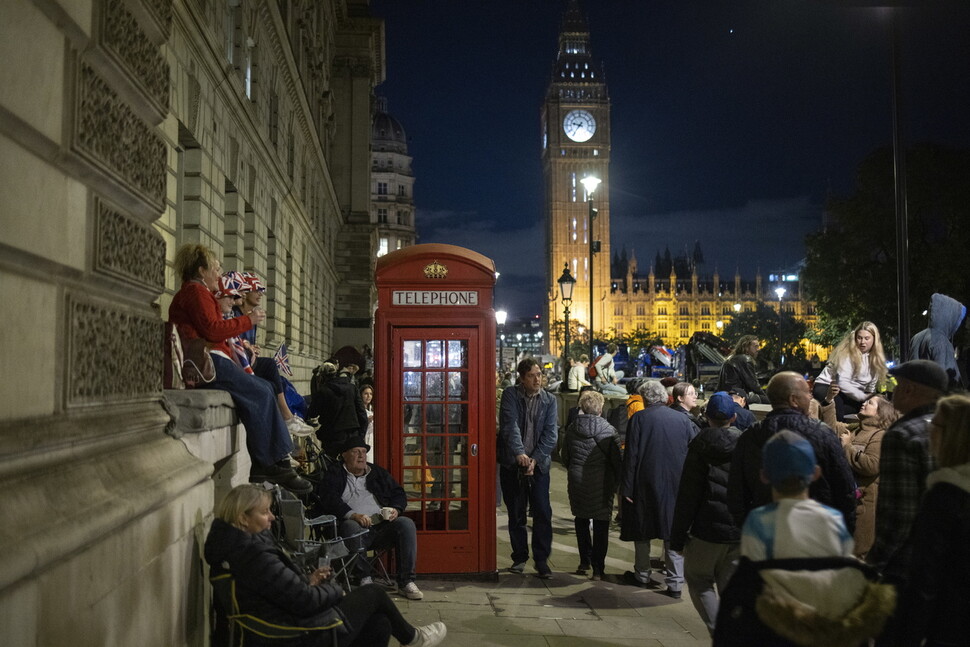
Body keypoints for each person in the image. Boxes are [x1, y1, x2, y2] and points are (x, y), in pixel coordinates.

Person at [205, 484, 446, 647]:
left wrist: (309, 581)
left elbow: (278, 588)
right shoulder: (252, 555)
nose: (272, 517)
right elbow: (304, 601)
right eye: (264, 512)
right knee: (372, 594)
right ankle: (414, 638)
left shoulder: (238, 547)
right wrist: (334, 591)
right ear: (243, 518)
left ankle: (412, 637)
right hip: (295, 634)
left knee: (380, 624)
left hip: (285, 620)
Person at [167, 244, 311, 493]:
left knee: (264, 387)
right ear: (202, 270)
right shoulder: (195, 292)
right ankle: (271, 463)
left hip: (215, 358)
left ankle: (274, 462)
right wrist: (248, 320)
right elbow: (212, 330)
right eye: (215, 268)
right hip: (210, 361)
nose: (219, 274)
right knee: (261, 392)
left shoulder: (197, 292)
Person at [727, 372, 856, 534]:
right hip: (816, 533)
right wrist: (845, 532)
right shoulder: (822, 434)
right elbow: (844, 488)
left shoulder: (750, 436)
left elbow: (736, 493)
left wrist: (750, 529)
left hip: (766, 532)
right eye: (807, 393)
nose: (810, 397)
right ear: (793, 400)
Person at [894, 393, 970, 646]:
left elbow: (927, 574)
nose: (929, 432)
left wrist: (911, 634)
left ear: (951, 434)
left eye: (933, 425)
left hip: (949, 623)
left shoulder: (945, 495)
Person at [312, 438, 425, 601]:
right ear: (344, 455)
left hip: (381, 527)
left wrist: (396, 509)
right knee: (351, 526)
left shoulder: (377, 473)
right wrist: (353, 515)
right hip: (351, 531)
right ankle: (364, 577)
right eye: (356, 452)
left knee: (406, 524)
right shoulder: (334, 473)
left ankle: (406, 581)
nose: (361, 456)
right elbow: (329, 498)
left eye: (364, 452)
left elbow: (398, 493)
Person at [867, 359, 947, 587]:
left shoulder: (902, 436)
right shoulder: (954, 428)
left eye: (898, 385)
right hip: (948, 558)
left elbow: (899, 513)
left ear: (909, 389)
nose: (893, 392)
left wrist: (875, 563)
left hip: (910, 565)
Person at [669, 392, 743, 636]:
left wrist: (677, 538)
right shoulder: (745, 445)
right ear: (733, 417)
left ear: (707, 417)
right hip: (737, 531)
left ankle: (719, 632)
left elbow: (687, 495)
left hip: (705, 530)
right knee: (732, 589)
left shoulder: (699, 444)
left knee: (699, 580)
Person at [620, 380, 698, 598]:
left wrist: (626, 489)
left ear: (645, 399)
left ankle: (642, 574)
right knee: (672, 533)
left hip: (644, 482)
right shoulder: (682, 420)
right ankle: (675, 583)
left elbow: (631, 456)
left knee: (642, 530)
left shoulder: (639, 419)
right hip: (675, 483)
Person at [230, 271, 314, 436]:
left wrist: (252, 347)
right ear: (245, 292)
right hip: (239, 365)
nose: (260, 294)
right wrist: (247, 346)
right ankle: (288, 418)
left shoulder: (251, 317)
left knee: (279, 382)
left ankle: (286, 424)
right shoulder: (236, 313)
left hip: (248, 363)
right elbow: (234, 337)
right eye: (257, 290)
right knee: (269, 368)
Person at [820, 390, 899, 559]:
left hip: (863, 504)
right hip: (847, 501)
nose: (864, 404)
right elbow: (831, 427)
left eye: (870, 403)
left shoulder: (880, 435)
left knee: (857, 554)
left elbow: (871, 465)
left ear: (881, 412)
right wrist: (829, 400)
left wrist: (848, 447)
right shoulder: (855, 429)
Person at [498, 357, 558, 578]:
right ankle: (520, 557)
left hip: (539, 465)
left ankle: (541, 560)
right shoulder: (511, 395)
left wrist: (534, 459)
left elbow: (551, 434)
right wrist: (520, 454)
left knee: (543, 511)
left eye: (540, 374)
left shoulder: (549, 400)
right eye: (532, 375)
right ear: (521, 378)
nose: (537, 379)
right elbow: (509, 425)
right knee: (516, 512)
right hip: (513, 463)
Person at [560, 390, 622, 580]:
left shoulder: (572, 428)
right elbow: (617, 461)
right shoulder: (609, 430)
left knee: (581, 519)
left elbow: (565, 457)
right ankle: (598, 568)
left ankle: (584, 561)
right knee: (602, 524)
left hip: (578, 479)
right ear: (600, 408)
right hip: (602, 482)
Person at [812, 321, 888, 421]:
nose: (862, 342)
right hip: (828, 386)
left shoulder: (875, 359)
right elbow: (843, 382)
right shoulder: (847, 353)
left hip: (850, 392)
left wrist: (871, 398)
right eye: (859, 338)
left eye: (866, 338)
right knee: (836, 412)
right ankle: (835, 431)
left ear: (874, 339)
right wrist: (862, 397)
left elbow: (871, 386)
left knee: (867, 409)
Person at [311, 362, 368, 458]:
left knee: (331, 468)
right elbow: (362, 414)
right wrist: (360, 435)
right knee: (351, 467)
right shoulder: (352, 388)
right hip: (352, 436)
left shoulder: (323, 391)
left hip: (331, 438)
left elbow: (312, 413)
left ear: (322, 377)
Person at [910, 292, 967, 389]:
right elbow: (947, 378)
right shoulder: (941, 340)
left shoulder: (917, 337)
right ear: (948, 316)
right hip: (934, 399)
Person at [717, 335, 767, 404]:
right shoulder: (746, 359)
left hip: (725, 396)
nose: (758, 349)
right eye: (755, 346)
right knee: (772, 401)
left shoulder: (730, 358)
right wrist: (765, 396)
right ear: (746, 347)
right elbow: (753, 385)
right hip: (737, 396)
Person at [360, 384, 375, 463]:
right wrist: (366, 420)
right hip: (364, 438)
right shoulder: (359, 410)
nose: (368, 396)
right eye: (366, 394)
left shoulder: (372, 408)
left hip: (373, 439)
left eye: (371, 394)